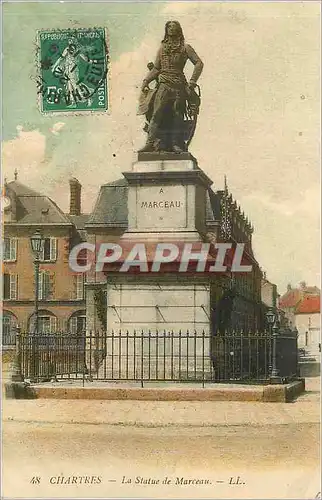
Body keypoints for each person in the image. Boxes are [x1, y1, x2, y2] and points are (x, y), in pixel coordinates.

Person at [138, 21, 203, 153]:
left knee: (177, 115)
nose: (171, 30)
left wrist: (192, 82)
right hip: (164, 85)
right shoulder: (162, 49)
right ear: (166, 32)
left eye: (174, 28)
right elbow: (156, 68)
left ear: (179, 30)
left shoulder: (186, 48)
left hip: (179, 85)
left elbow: (199, 63)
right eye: (169, 28)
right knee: (156, 114)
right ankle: (150, 143)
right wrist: (146, 80)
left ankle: (175, 144)